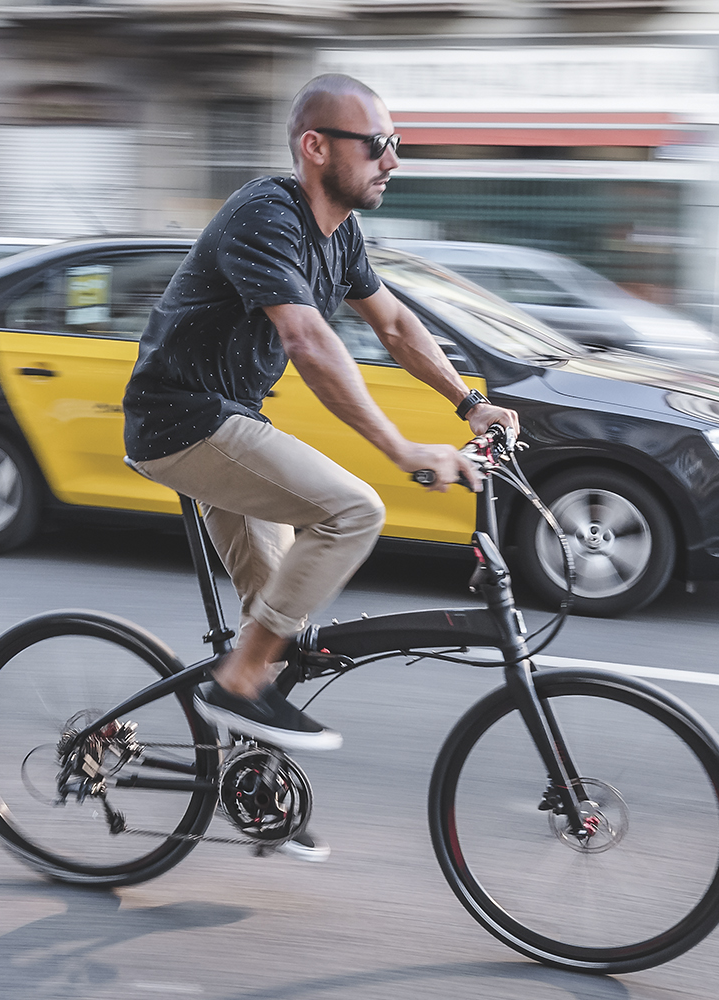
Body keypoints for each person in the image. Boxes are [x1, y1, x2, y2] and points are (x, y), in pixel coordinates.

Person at [123, 74, 519, 857]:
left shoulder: (338, 235)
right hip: (183, 421)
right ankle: (235, 684)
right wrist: (403, 452)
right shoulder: (265, 216)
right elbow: (308, 342)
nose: (393, 161)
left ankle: (254, 786)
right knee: (352, 511)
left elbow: (398, 326)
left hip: (228, 419)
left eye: (396, 145)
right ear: (315, 147)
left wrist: (466, 405)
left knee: (280, 625)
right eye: (377, 144)